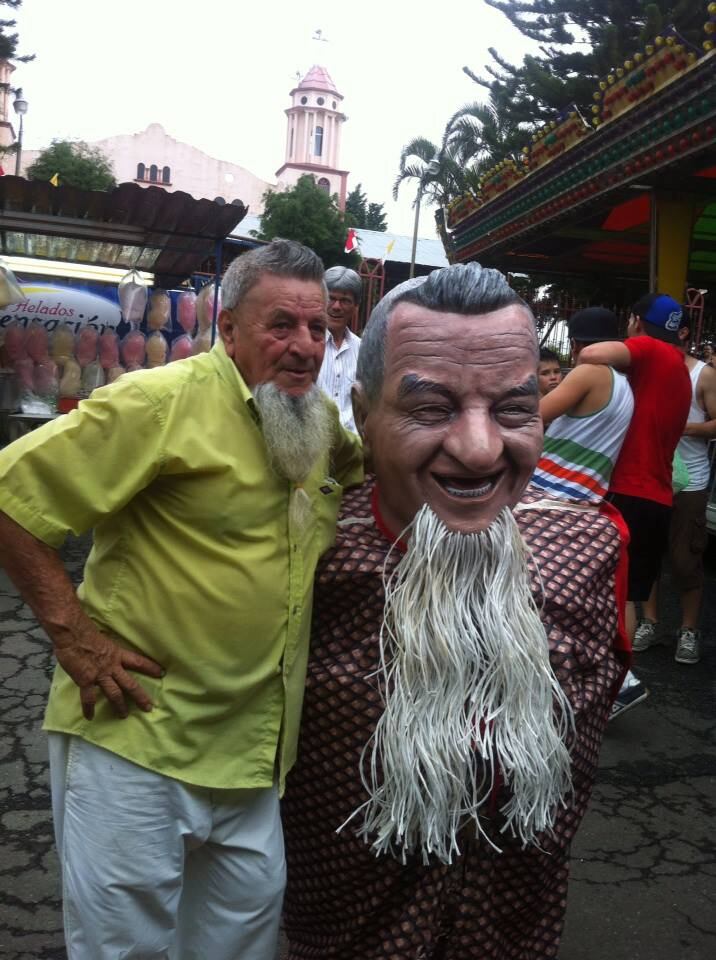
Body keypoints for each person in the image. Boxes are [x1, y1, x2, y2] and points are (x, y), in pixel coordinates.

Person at [0, 239, 363, 960]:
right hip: (139, 742)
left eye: (318, 328)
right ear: (227, 328)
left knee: (239, 949)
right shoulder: (157, 403)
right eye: (281, 325)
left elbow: (371, 469)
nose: (304, 346)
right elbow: (12, 497)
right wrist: (73, 636)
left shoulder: (315, 420)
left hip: (255, 756)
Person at [282, 264, 628, 959]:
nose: (479, 449)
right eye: (432, 409)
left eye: (512, 409)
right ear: (362, 412)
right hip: (339, 930)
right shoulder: (300, 554)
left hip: (512, 930)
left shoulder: (592, 547)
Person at [579, 293, 691, 716]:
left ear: (636, 322)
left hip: (629, 491)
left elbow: (592, 353)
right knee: (625, 594)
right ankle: (613, 681)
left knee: (610, 593)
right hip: (657, 497)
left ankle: (620, 682)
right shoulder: (679, 368)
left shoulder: (648, 349)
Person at [636, 319, 716, 663]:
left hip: (691, 481)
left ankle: (688, 629)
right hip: (650, 477)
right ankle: (649, 623)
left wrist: (681, 427)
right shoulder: (642, 371)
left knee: (686, 560)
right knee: (647, 556)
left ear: (681, 333)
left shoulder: (704, 375)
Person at [533, 307, 634, 504]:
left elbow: (531, 416)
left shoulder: (588, 372)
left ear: (574, 344)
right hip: (587, 495)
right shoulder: (623, 383)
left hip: (551, 489)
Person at [316, 265, 362, 432]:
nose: (336, 306)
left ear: (355, 307)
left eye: (345, 301)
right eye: (331, 298)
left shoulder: (362, 350)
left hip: (352, 451)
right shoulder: (306, 345)